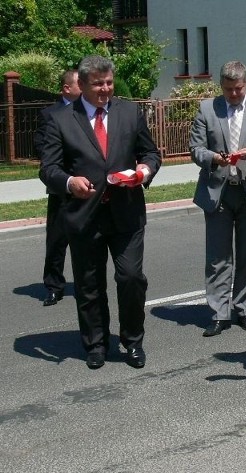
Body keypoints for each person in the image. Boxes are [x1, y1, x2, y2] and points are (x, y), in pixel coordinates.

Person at [39, 55, 161, 370]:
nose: (105, 89)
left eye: (108, 82)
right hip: (84, 214)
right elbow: (49, 168)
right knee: (89, 285)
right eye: (98, 84)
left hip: (127, 212)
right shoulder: (62, 119)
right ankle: (95, 344)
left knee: (131, 277)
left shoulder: (129, 112)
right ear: (82, 85)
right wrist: (68, 182)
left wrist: (145, 170)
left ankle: (132, 342)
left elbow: (150, 152)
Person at [190, 60, 246, 337]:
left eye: (238, 89)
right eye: (228, 89)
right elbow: (196, 148)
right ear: (221, 85)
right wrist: (213, 158)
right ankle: (219, 313)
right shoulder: (208, 109)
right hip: (218, 190)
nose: (233, 94)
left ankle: (243, 307)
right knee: (218, 256)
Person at [34, 70, 82, 307]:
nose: (84, 89)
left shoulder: (89, 112)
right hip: (62, 187)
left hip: (88, 186)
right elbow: (42, 148)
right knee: (56, 240)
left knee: (86, 239)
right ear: (66, 89)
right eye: (79, 84)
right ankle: (53, 286)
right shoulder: (50, 114)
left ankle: (86, 283)